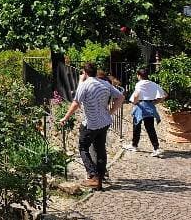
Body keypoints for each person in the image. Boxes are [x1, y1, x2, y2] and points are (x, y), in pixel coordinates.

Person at [59, 62, 124, 191]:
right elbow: (121, 97)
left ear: (85, 72)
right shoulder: (105, 84)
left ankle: (93, 175)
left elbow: (76, 102)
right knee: (100, 150)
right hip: (104, 122)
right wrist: (111, 112)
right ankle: (99, 181)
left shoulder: (85, 85)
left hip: (91, 124)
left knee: (83, 147)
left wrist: (65, 117)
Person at [123, 68, 167, 157]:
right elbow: (164, 95)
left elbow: (136, 95)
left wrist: (135, 103)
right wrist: (154, 102)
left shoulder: (139, 84)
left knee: (136, 126)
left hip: (140, 106)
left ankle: (134, 145)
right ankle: (156, 148)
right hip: (149, 106)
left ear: (139, 75)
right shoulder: (153, 84)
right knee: (150, 128)